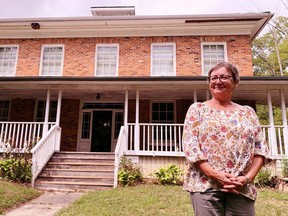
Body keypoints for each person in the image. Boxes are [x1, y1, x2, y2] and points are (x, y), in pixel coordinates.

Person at [182, 62, 270, 216]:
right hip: (205, 185)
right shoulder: (197, 110)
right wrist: (215, 175)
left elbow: (260, 149)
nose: (218, 81)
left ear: (235, 82)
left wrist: (246, 178)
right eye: (213, 78)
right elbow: (191, 147)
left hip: (240, 187)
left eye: (224, 77)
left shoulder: (247, 113)